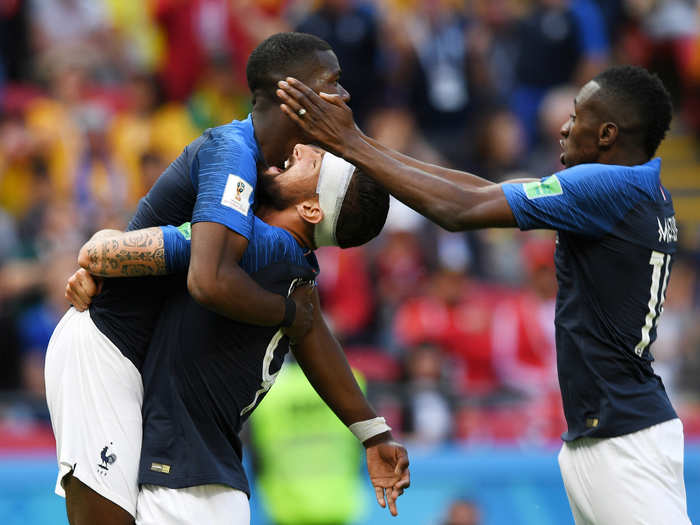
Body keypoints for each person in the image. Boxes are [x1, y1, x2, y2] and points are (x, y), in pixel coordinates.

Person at [277, 65, 690, 523]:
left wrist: (350, 143)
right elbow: (481, 191)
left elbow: (459, 209)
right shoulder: (639, 189)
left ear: (608, 134)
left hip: (622, 441)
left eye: (577, 116)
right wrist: (362, 145)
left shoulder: (607, 187)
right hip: (611, 433)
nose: (564, 126)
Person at [45, 32, 351, 525]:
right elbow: (196, 277)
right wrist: (290, 314)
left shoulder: (273, 241)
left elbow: (115, 249)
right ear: (289, 91)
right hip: (105, 348)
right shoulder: (237, 164)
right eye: (332, 82)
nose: (344, 95)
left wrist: (373, 430)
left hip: (142, 368)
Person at [61, 146, 410, 524]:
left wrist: (102, 271)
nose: (299, 148)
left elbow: (98, 253)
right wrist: (375, 433)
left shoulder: (243, 248)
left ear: (311, 209)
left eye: (314, 163)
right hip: (206, 487)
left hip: (186, 490)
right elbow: (313, 334)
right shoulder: (293, 273)